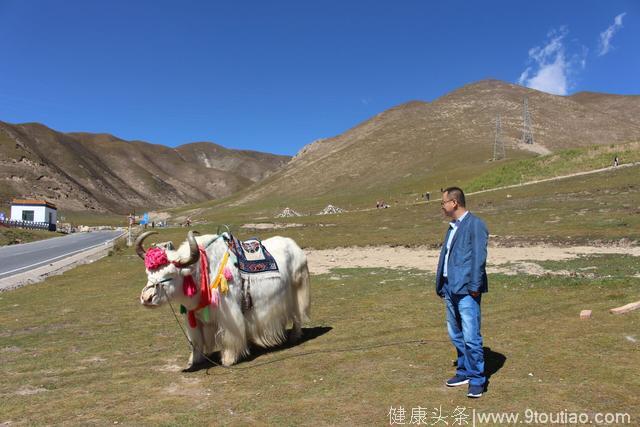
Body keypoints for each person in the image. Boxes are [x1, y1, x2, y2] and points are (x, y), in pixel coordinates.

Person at [435, 186, 488, 398]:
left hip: (467, 290)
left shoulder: (475, 225)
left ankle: (477, 378)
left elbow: (479, 258)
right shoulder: (452, 227)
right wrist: (441, 283)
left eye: (443, 202)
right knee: (455, 333)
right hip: (449, 287)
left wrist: (474, 287)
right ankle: (464, 371)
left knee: (471, 335)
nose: (442, 206)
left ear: (454, 203)